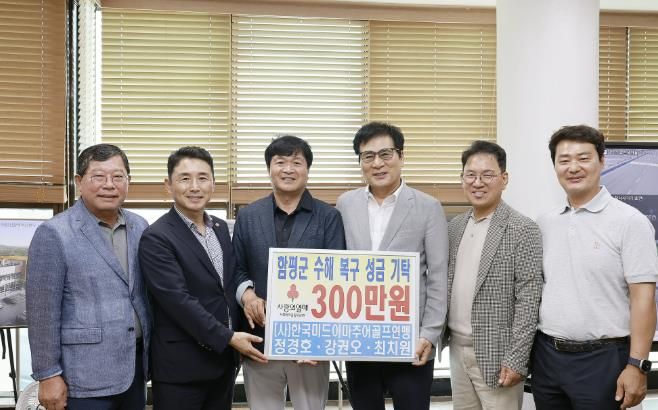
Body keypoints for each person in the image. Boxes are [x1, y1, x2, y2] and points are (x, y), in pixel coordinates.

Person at [531, 125, 658, 410]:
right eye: (564, 160)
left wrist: (637, 365)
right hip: (547, 357)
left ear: (602, 161)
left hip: (603, 360)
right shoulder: (545, 222)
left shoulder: (630, 222)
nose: (573, 167)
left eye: (583, 158)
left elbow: (644, 298)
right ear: (555, 166)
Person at [138, 146, 266, 410]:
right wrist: (229, 337)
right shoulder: (157, 237)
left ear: (213, 184)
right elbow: (178, 302)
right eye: (185, 178)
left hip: (223, 363)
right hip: (181, 367)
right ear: (168, 185)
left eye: (203, 178)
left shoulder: (219, 228)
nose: (194, 187)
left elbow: (228, 284)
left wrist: (248, 302)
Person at [26, 144, 150, 410]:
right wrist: (48, 375)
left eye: (118, 176)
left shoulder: (140, 226)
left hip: (135, 369)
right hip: (83, 375)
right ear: (79, 182)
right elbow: (41, 312)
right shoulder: (54, 233)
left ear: (128, 181)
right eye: (98, 176)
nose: (109, 185)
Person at [335, 121, 449, 410]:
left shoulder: (428, 207)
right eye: (368, 156)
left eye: (385, 154)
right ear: (360, 161)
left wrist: (429, 334)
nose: (377, 163)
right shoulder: (345, 204)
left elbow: (438, 276)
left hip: (410, 340)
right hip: (360, 339)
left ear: (401, 156)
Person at [233, 135, 346, 410]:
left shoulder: (328, 217)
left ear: (307, 169)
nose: (288, 169)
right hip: (260, 339)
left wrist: (323, 342)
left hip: (310, 344)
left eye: (296, 162)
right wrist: (248, 296)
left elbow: (338, 279)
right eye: (280, 162)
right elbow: (237, 268)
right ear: (269, 168)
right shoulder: (248, 216)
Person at [445, 140, 543, 410]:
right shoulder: (454, 227)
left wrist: (517, 359)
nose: (478, 183)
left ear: (504, 178)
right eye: (470, 175)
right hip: (457, 350)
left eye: (487, 175)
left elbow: (529, 299)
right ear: (462, 178)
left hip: (498, 355)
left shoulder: (523, 229)